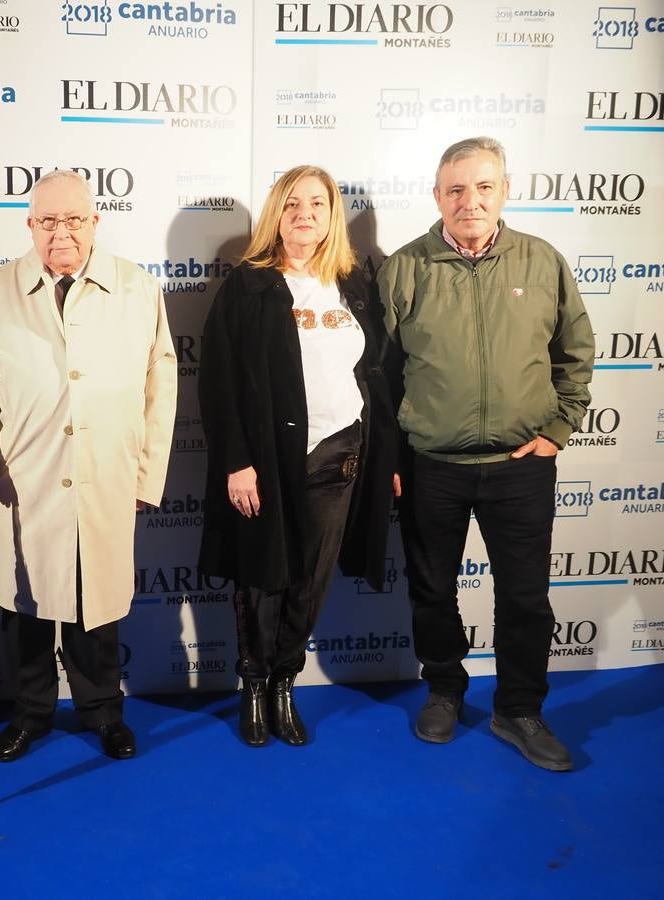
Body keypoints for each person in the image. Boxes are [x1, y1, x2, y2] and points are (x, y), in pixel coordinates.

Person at [377, 136, 594, 771]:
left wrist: (558, 428)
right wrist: (392, 454)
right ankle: (444, 689)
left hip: (521, 466)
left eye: (483, 187)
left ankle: (519, 709)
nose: (469, 201)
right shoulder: (406, 268)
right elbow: (381, 373)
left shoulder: (542, 262)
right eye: (455, 189)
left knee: (525, 597)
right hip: (430, 466)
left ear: (504, 190)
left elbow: (575, 355)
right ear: (437, 196)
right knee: (432, 589)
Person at [0, 169, 177, 762]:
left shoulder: (136, 289)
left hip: (103, 478)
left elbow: (161, 391)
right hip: (23, 484)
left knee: (95, 608)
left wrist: (146, 476)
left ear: (95, 222)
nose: (61, 233)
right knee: (25, 611)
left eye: (74, 220)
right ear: (30, 225)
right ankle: (30, 714)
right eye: (47, 221)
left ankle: (104, 711)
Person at [197, 165, 397, 748]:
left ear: (331, 215)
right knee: (261, 577)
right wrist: (236, 461)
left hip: (340, 454)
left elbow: (379, 372)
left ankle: (285, 680)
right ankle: (253, 683)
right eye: (292, 204)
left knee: (309, 580)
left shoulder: (358, 284)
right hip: (264, 458)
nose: (304, 214)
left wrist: (383, 456)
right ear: (276, 215)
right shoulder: (249, 284)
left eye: (316, 203)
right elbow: (219, 382)